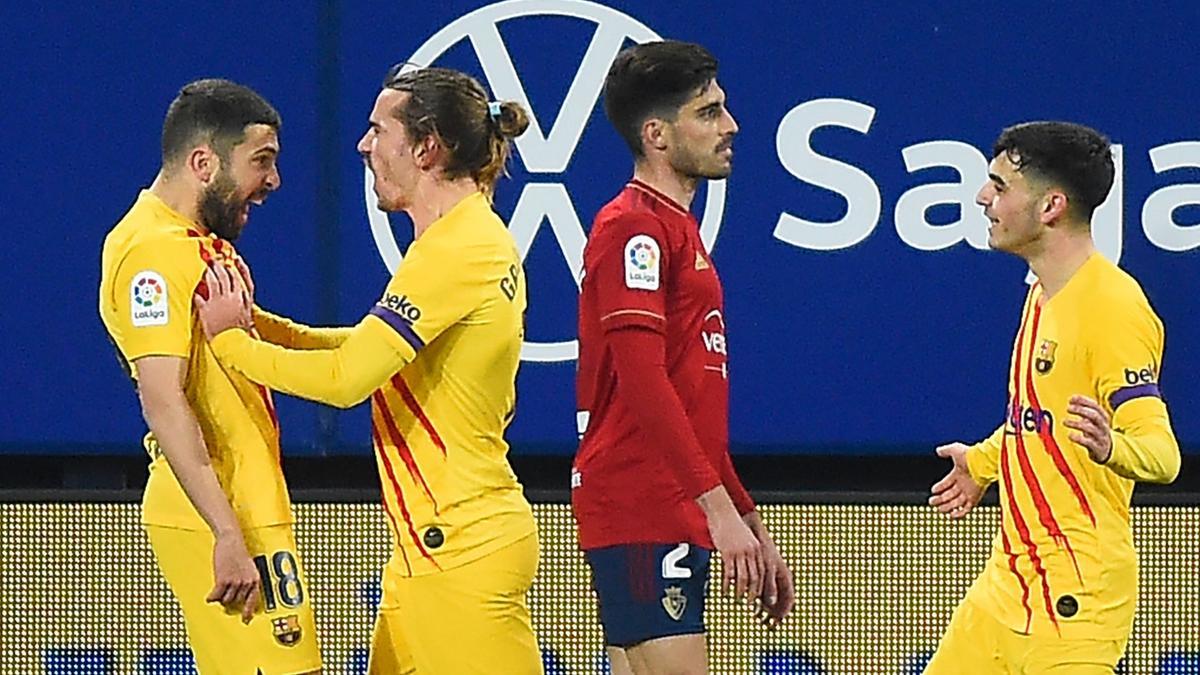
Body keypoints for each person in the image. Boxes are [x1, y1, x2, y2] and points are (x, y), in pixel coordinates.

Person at [194, 65, 540, 674]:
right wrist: (260, 326)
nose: (363, 144)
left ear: (427, 148)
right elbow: (366, 345)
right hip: (430, 553)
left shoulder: (459, 249)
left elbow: (349, 379)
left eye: (379, 130)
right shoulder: (459, 238)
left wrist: (231, 347)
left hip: (457, 553)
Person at [572, 40, 795, 675]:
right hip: (642, 497)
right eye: (709, 112)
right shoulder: (632, 230)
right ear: (657, 136)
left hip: (667, 496)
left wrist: (746, 518)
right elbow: (643, 384)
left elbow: (690, 402)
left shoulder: (675, 228)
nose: (731, 126)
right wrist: (720, 515)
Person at [925, 121, 1181, 674]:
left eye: (1000, 185)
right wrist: (985, 462)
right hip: (1006, 588)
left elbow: (1163, 454)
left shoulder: (1113, 307)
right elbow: (1037, 417)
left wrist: (1113, 446)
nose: (982, 197)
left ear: (1051, 207)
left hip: (1075, 606)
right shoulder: (1042, 291)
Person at [99, 79, 325, 673]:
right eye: (262, 162)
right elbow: (164, 400)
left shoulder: (202, 244)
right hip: (217, 513)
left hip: (251, 501)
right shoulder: (150, 255)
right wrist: (226, 533)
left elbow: (263, 334)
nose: (272, 182)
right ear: (204, 162)